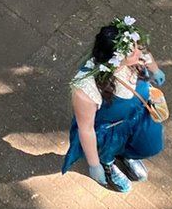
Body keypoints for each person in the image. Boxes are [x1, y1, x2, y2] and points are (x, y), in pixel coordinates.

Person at [62, 17, 166, 193]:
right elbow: (86, 129)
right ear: (115, 60)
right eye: (131, 52)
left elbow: (144, 52)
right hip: (111, 130)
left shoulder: (132, 51)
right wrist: (94, 165)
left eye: (135, 46)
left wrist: (155, 69)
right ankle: (107, 163)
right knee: (108, 148)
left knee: (151, 144)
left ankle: (127, 155)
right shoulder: (86, 89)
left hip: (137, 117)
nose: (138, 53)